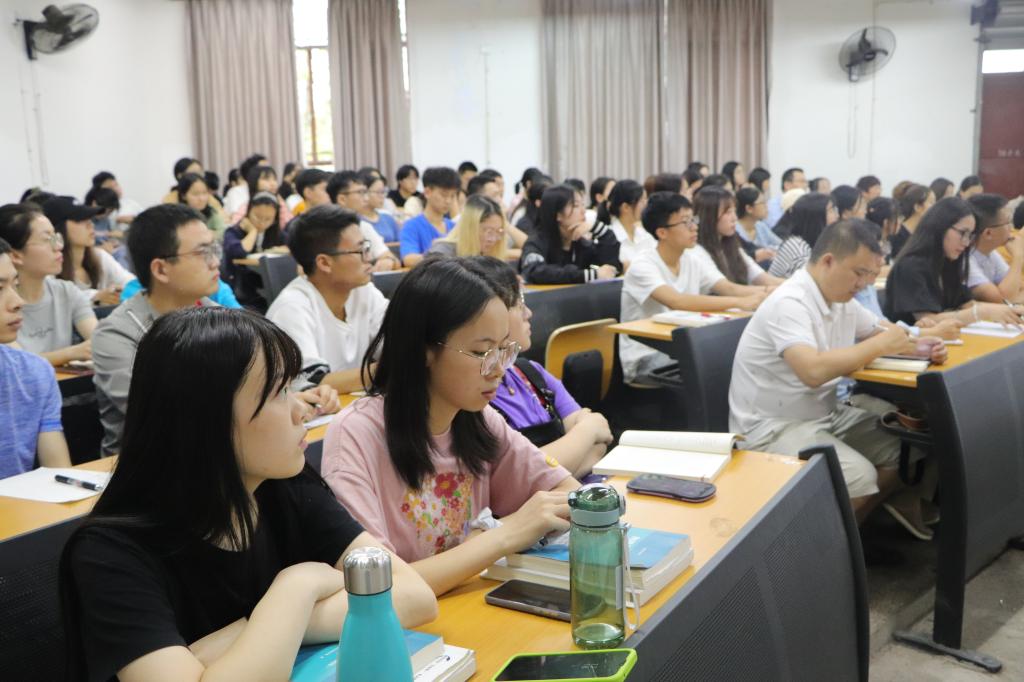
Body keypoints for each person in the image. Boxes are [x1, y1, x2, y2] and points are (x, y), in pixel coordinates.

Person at [61, 307, 436, 682]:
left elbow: (412, 595)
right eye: (279, 392)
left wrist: (262, 628)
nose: (300, 410)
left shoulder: (284, 487)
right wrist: (296, 588)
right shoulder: (110, 552)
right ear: (207, 420)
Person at [320, 257, 577, 595]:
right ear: (424, 349)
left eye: (504, 349)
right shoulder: (356, 435)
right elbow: (379, 587)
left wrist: (490, 536)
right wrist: (503, 535)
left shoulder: (477, 418)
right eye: (482, 352)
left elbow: (566, 492)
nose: (498, 369)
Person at [729, 219, 947, 526]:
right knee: (860, 476)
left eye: (870, 275)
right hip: (771, 428)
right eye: (859, 273)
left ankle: (851, 531)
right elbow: (813, 371)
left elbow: (884, 333)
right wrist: (884, 343)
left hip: (824, 414)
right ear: (828, 261)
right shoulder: (790, 302)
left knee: (909, 446)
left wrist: (922, 347)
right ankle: (818, 545)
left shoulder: (841, 300)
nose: (865, 284)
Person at [464, 256, 612, 477]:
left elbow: (600, 443)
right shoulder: (475, 397)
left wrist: (549, 470)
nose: (529, 313)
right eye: (518, 303)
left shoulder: (530, 372)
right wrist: (586, 432)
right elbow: (517, 478)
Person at [619, 192, 768, 383]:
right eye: (686, 222)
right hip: (647, 356)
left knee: (739, 358)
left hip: (684, 346)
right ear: (662, 232)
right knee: (720, 367)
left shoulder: (691, 259)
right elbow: (677, 301)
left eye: (693, 219)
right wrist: (741, 302)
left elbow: (728, 288)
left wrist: (767, 292)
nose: (694, 227)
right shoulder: (642, 265)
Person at [267, 205, 388, 394]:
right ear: (324, 263)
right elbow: (313, 383)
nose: (370, 258)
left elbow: (399, 340)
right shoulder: (291, 308)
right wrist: (390, 368)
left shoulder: (365, 292)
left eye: (368, 247)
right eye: (361, 250)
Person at [884, 197, 1023, 327]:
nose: (966, 242)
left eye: (970, 235)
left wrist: (1009, 310)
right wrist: (981, 313)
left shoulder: (949, 261)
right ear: (940, 226)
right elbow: (928, 319)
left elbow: (968, 304)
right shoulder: (911, 265)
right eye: (963, 233)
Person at [0, 237, 71, 479]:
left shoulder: (34, 373)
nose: (17, 302)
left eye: (15, 285)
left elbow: (60, 477)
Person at [0, 203, 96, 367]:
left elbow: (98, 340)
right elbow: (19, 363)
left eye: (56, 237)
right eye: (46, 240)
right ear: (15, 255)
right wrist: (72, 352)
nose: (59, 246)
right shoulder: (5, 306)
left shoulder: (66, 291)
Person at [520, 185, 621, 284]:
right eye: (576, 206)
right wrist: (588, 275)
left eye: (583, 205)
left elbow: (611, 267)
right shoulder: (536, 243)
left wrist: (601, 231)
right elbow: (535, 271)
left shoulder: (581, 244)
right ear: (558, 214)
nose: (583, 211)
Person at [46, 196, 132, 306]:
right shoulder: (47, 269)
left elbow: (130, 282)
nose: (90, 224)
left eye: (89, 218)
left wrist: (120, 292)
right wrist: (95, 297)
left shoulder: (100, 257)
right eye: (79, 219)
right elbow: (54, 302)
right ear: (57, 229)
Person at [692, 186, 782, 287]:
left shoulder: (732, 246)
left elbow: (763, 278)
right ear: (709, 215)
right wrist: (766, 291)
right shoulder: (697, 252)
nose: (734, 218)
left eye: (734, 211)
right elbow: (730, 290)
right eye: (728, 212)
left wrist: (793, 284)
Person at [221, 192, 286, 306]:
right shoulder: (233, 232)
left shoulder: (276, 234)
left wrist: (277, 250)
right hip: (239, 291)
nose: (261, 223)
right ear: (248, 211)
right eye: (257, 217)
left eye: (268, 219)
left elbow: (292, 247)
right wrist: (252, 232)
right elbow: (239, 252)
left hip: (267, 289)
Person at [326, 171, 400, 271]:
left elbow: (392, 259)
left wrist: (388, 260)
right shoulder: (322, 229)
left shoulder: (363, 226)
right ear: (342, 199)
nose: (366, 198)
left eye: (365, 192)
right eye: (360, 193)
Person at [967, 193, 1024, 304]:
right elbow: (1003, 299)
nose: (1011, 228)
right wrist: (1018, 256)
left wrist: (1012, 300)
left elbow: (1018, 289)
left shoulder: (990, 252)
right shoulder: (965, 260)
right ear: (988, 233)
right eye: (1008, 222)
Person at [398, 166, 461, 267]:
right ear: (427, 192)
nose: (448, 201)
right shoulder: (412, 226)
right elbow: (408, 259)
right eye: (444, 195)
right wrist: (437, 253)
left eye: (452, 196)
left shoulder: (454, 227)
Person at [769, 194, 839, 279]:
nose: (837, 215)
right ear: (815, 218)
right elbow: (817, 281)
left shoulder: (813, 241)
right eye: (831, 210)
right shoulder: (797, 248)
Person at [429, 195, 511, 260]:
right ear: (470, 228)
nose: (493, 239)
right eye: (489, 232)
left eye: (498, 231)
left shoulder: (488, 255)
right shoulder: (442, 254)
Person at [595, 179, 652, 270]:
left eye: (646, 199)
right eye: (642, 200)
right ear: (625, 207)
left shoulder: (644, 234)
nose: (646, 204)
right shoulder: (609, 239)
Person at [735, 186, 781, 265]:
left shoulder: (760, 225)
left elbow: (780, 244)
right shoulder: (735, 230)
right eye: (762, 203)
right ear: (749, 208)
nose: (766, 206)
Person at [176, 173, 226, 240]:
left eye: (204, 193)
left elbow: (223, 232)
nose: (201, 198)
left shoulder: (211, 213)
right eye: (195, 194)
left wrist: (209, 235)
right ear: (183, 195)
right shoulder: (178, 216)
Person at [889, 184, 934, 258]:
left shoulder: (926, 235)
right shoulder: (897, 234)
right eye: (931, 202)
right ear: (917, 207)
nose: (935, 206)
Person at [358, 172, 401, 243]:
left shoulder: (388, 218)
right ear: (365, 193)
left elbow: (400, 242)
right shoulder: (356, 220)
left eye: (383, 192)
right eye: (378, 192)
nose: (382, 196)